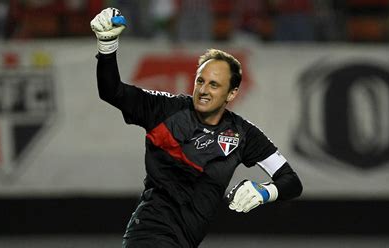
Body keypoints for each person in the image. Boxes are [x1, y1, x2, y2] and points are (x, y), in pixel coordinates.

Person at [90, 7, 303, 248]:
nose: (203, 90)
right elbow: (112, 91)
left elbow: (291, 182)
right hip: (149, 233)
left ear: (232, 93)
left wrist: (266, 192)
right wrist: (107, 46)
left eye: (214, 84)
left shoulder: (243, 134)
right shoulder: (165, 109)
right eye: (200, 81)